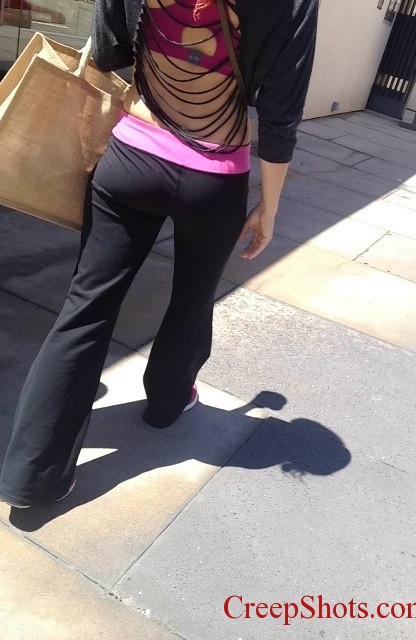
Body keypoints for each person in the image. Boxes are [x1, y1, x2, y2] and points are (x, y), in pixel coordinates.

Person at [0, 0, 319, 508]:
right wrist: (269, 207)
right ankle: (168, 402)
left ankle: (32, 477)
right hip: (215, 178)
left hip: (131, 160)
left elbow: (109, 50)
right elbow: (282, 111)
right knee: (193, 300)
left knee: (85, 310)